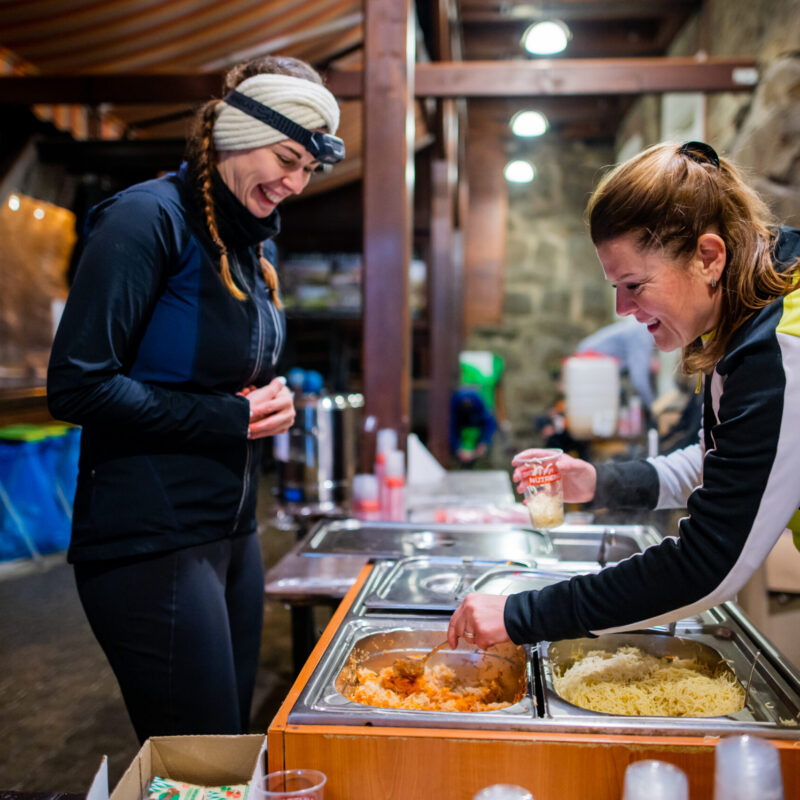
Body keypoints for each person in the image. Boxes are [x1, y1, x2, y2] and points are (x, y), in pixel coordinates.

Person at [47, 56, 344, 741]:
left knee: (230, 748)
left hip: (229, 530)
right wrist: (230, 417)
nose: (295, 184)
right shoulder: (145, 220)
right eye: (286, 159)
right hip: (151, 538)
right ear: (236, 134)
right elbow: (79, 383)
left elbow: (219, 377)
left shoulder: (241, 238)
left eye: (308, 170)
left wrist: (272, 404)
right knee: (200, 754)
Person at [448, 140, 800, 650]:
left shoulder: (779, 346)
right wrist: (599, 483)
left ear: (708, 257)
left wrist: (522, 613)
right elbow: (719, 463)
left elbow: (707, 566)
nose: (620, 308)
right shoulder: (750, 317)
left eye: (633, 283)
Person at [575, 315, 657, 418]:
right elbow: (639, 378)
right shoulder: (642, 334)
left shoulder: (641, 327)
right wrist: (654, 406)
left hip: (589, 358)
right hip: (589, 359)